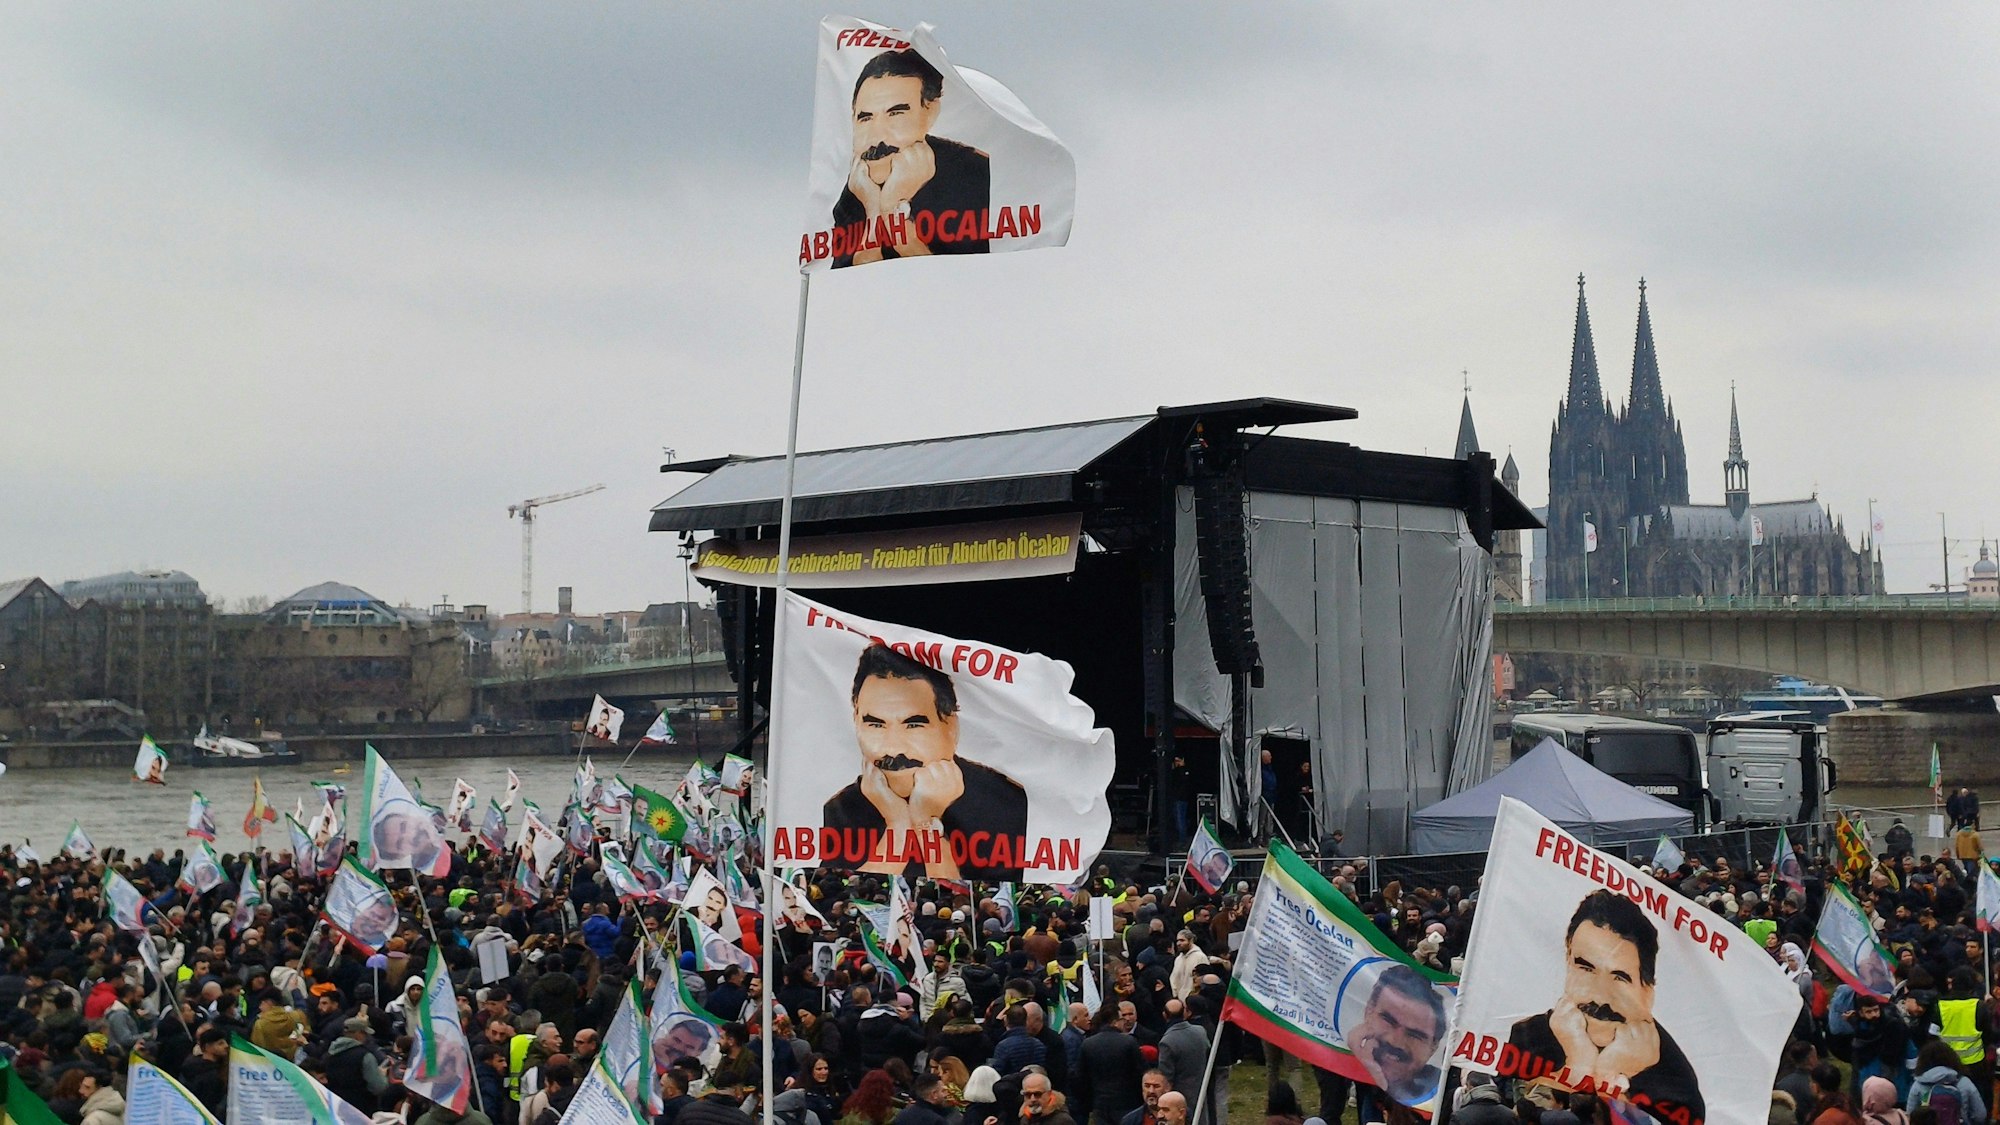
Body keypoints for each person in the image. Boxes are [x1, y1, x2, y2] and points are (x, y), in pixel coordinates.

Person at [821, 646, 1028, 881]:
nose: (893, 748)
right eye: (876, 725)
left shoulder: (1005, 804)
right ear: (856, 723)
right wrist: (898, 826)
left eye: (913, 725)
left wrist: (925, 823)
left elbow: (965, 901)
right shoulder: (841, 810)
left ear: (950, 726)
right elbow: (850, 900)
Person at [1504, 891, 1703, 1125]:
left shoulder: (1674, 1079)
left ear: (1646, 990)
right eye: (1585, 968)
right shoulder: (1524, 1037)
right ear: (1567, 963)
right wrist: (1579, 1064)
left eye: (1620, 977)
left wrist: (1611, 1073)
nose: (1599, 996)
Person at [829, 48, 991, 268]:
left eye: (896, 113)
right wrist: (876, 210)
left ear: (930, 112)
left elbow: (951, 285)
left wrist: (894, 211)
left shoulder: (975, 177)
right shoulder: (856, 191)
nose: (877, 137)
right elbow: (857, 283)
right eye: (865, 118)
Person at [1347, 965, 1447, 1106]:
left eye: (1415, 1035)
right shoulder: (1344, 1061)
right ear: (1368, 1010)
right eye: (1388, 1020)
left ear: (1433, 1046)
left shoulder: (1444, 1095)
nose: (1396, 1042)